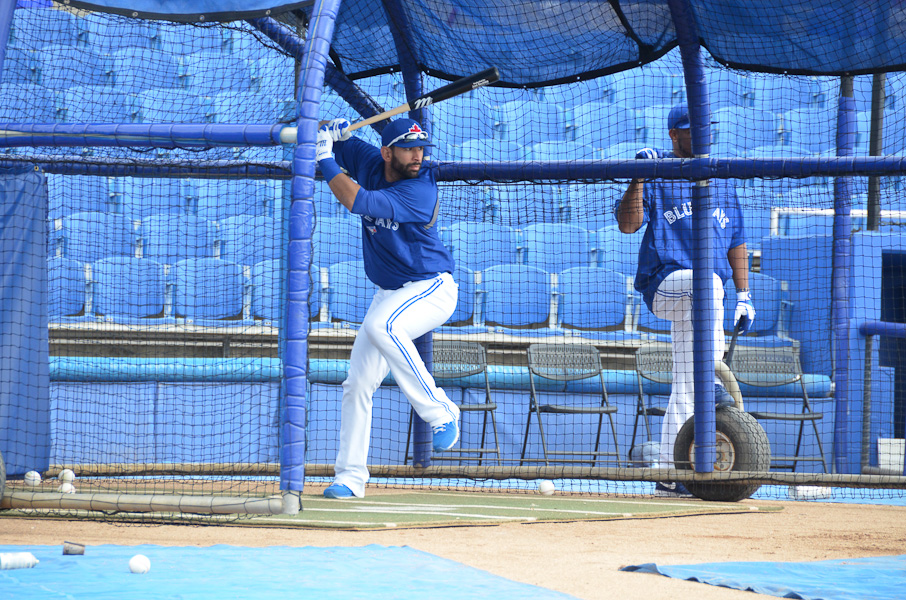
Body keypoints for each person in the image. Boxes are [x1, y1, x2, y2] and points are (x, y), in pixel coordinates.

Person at [315, 116, 461, 499]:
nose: (418, 156)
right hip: (391, 292)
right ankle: (350, 477)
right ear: (386, 152)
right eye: (409, 148)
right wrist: (332, 131)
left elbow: (355, 200)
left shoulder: (421, 188)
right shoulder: (370, 160)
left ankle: (440, 411)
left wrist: (324, 158)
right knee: (358, 383)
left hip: (431, 287)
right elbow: (334, 138)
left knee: (383, 325)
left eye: (421, 149)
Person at [615, 103, 755, 497]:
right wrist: (638, 179)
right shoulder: (658, 170)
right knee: (707, 284)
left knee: (685, 380)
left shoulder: (722, 178)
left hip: (707, 297)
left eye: (706, 127)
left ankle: (668, 469)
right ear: (674, 134)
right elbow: (628, 226)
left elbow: (738, 241)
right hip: (664, 286)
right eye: (692, 129)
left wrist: (744, 294)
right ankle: (713, 380)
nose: (702, 134)